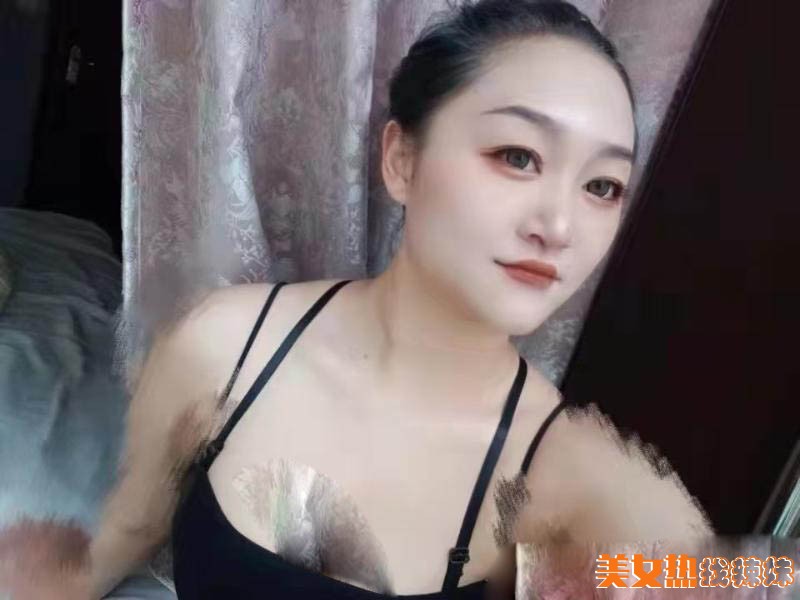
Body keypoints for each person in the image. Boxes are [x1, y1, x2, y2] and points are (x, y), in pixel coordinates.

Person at [59, 0, 712, 598]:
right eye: (518, 156)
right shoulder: (223, 344)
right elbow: (125, 533)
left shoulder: (572, 477)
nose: (561, 227)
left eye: (602, 187)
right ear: (401, 160)